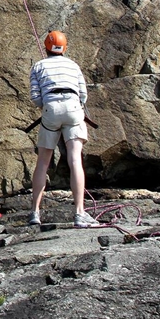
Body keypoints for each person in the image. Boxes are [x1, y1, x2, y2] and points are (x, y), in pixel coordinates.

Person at [27, 31, 98, 229]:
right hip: (74, 108)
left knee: (43, 161)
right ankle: (79, 213)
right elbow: (83, 94)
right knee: (75, 159)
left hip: (50, 109)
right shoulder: (73, 65)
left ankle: (35, 212)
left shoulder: (38, 66)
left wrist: (49, 108)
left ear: (46, 46)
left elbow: (35, 97)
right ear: (64, 47)